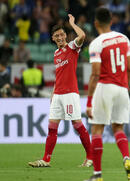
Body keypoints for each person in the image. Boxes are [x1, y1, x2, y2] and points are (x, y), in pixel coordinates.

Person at [28, 15, 93, 168]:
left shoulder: (72, 47)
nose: (60, 37)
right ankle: (46, 159)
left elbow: (82, 35)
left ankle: (91, 157)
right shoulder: (56, 54)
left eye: (62, 34)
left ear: (66, 35)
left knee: (77, 125)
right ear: (53, 38)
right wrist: (53, 93)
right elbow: (59, 75)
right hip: (58, 95)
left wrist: (72, 24)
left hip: (70, 94)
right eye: (57, 35)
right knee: (52, 127)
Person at [85, 7, 130, 181]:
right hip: (122, 88)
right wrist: (126, 85)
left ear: (96, 23)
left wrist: (89, 101)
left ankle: (98, 174)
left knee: (97, 129)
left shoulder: (96, 43)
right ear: (112, 21)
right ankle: (126, 158)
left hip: (105, 87)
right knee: (118, 128)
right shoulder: (124, 38)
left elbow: (95, 74)